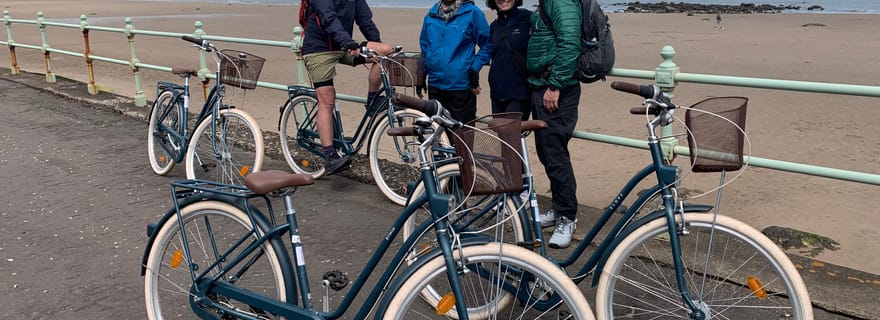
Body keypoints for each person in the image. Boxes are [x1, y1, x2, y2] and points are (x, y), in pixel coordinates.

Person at [301, 0, 393, 175]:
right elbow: (328, 17)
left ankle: (372, 100)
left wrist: (376, 44)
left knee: (386, 52)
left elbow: (365, 20)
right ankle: (329, 156)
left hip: (343, 45)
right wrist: (345, 40)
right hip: (318, 49)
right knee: (327, 101)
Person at [529, 0, 582, 249]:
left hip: (558, 90)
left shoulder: (560, 1)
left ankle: (568, 217)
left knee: (555, 153)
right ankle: (559, 208)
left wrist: (556, 85)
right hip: (544, 86)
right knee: (546, 151)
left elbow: (570, 42)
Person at [416, 0, 491, 125]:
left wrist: (474, 68)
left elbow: (488, 45)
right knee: (438, 136)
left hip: (460, 85)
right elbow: (425, 48)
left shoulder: (472, 12)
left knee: (462, 136)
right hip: (435, 84)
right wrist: (421, 74)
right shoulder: (431, 14)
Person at [486, 0, 532, 121]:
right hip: (497, 93)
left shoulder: (528, 19)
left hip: (519, 93)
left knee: (512, 137)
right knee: (502, 137)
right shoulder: (494, 26)